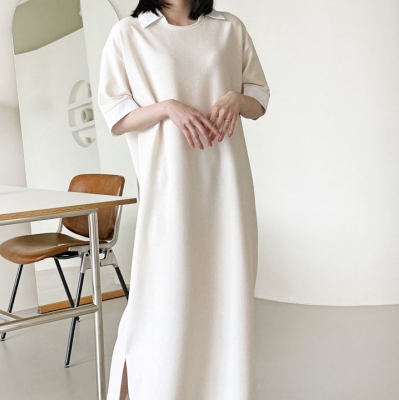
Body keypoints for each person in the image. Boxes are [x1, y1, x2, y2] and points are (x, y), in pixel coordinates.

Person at [98, 0, 270, 398]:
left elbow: (259, 99)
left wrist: (235, 99)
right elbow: (116, 115)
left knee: (227, 300)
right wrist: (166, 108)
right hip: (169, 190)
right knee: (162, 301)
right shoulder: (130, 33)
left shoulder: (229, 28)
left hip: (229, 190)